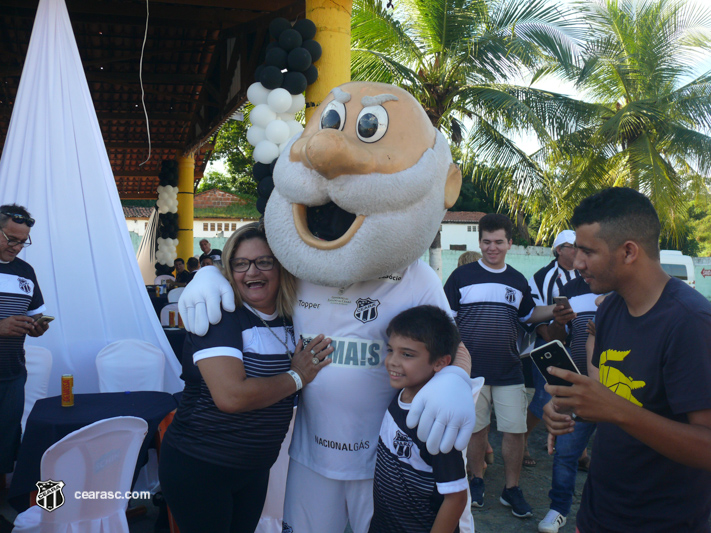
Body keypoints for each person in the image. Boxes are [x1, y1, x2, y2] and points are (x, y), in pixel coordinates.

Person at [180, 82, 478, 533]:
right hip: (310, 455)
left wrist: (456, 376)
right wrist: (210, 275)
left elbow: (452, 343)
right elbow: (253, 268)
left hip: (380, 460)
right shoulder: (299, 265)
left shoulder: (415, 274)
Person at [543, 187, 711, 533]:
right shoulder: (610, 311)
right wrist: (570, 407)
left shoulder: (691, 322)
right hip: (597, 513)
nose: (576, 263)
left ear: (629, 251)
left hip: (664, 522)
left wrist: (613, 408)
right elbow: (614, 401)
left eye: (587, 251)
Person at [158, 222, 333, 533]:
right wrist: (297, 375)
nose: (252, 272)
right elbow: (231, 397)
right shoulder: (219, 315)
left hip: (255, 467)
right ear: (230, 268)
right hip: (200, 465)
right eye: (241, 263)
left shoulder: (294, 315)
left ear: (282, 266)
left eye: (264, 261)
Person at [444, 213, 559, 519]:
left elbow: (529, 316)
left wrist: (555, 310)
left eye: (498, 242)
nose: (491, 248)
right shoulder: (461, 277)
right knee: (476, 431)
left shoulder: (517, 281)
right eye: (486, 242)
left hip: (509, 371)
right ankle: (477, 481)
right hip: (470, 372)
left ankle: (512, 489)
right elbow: (445, 319)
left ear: (510, 242)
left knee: (515, 432)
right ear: (479, 241)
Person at [369, 306, 469, 533]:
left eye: (407, 354)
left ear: (440, 362)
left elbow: (456, 499)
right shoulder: (402, 394)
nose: (392, 361)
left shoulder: (437, 420)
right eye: (390, 350)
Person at [536, 275, 597, 533]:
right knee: (565, 452)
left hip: (619, 392)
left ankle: (598, 514)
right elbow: (556, 336)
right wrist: (559, 323)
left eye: (587, 251)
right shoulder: (571, 289)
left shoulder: (621, 288)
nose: (580, 262)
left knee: (613, 457)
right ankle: (559, 509)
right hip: (577, 389)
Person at [0, 205, 49, 491]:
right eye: (11, 238)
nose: (18, 246)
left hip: (13, 375)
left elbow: (36, 317)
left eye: (23, 240)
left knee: (6, 444)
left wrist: (39, 327)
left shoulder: (26, 272)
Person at [523, 230, 580, 467]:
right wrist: (555, 338)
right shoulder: (543, 277)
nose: (578, 250)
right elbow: (535, 318)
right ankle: (522, 440)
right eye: (573, 246)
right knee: (544, 396)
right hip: (550, 343)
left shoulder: (585, 272)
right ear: (559, 250)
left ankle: (580, 452)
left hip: (577, 343)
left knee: (577, 397)